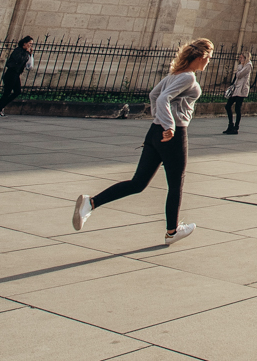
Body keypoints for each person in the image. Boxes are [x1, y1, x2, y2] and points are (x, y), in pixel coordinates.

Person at [73, 37, 212, 246]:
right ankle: (172, 231)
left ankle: (90, 203)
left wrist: (159, 121)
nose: (209, 62)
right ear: (201, 56)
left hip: (155, 132)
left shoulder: (174, 75)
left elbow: (154, 94)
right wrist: (169, 126)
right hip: (173, 134)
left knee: (138, 183)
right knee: (176, 184)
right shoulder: (189, 78)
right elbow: (163, 98)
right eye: (209, 58)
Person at [0, 36, 33, 116]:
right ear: (24, 43)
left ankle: (0, 107)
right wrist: (26, 53)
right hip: (11, 73)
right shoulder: (18, 50)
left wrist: (30, 54)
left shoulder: (25, 52)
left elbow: (29, 65)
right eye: (29, 43)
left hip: (16, 73)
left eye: (31, 44)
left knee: (17, 92)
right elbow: (17, 60)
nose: (30, 45)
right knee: (7, 92)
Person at [222, 52, 252, 134]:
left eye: (241, 57)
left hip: (242, 89)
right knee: (228, 106)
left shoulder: (248, 65)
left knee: (237, 108)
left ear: (245, 58)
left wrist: (238, 71)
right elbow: (236, 77)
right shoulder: (240, 66)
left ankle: (236, 127)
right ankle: (230, 125)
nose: (239, 59)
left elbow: (239, 75)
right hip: (236, 88)